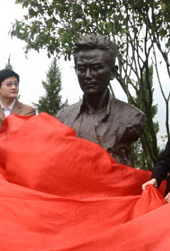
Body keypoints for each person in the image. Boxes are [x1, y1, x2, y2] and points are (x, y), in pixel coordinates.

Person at [56, 35, 144, 166]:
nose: (87, 76)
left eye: (96, 68)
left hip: (115, 178)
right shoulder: (63, 118)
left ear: (113, 72)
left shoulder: (131, 117)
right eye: (81, 69)